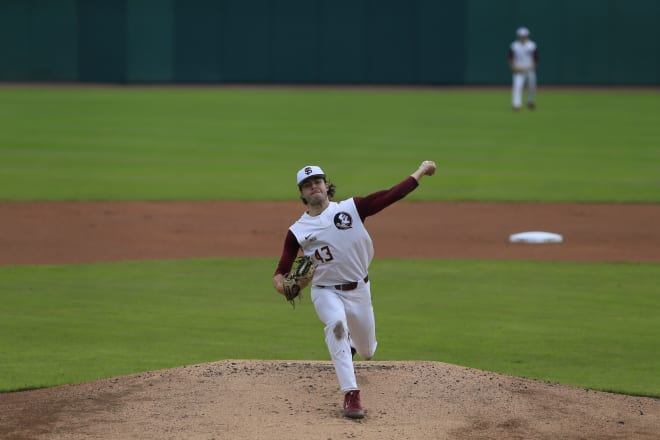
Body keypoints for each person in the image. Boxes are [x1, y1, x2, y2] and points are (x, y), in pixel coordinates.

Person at [272, 160, 437, 419]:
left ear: (326, 186)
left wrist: (421, 171)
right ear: (302, 193)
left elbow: (391, 195)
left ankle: (349, 349)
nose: (313, 186)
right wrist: (283, 286)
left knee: (368, 351)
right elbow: (280, 271)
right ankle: (351, 395)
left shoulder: (352, 208)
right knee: (336, 326)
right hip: (326, 291)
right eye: (307, 185)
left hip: (360, 291)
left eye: (317, 181)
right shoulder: (297, 231)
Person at [508, 26, 538, 111]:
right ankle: (516, 105)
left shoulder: (532, 45)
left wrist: (532, 66)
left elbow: (536, 58)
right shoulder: (514, 45)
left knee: (532, 86)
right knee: (517, 87)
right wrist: (513, 67)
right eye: (521, 36)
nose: (522, 37)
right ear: (518, 36)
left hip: (529, 69)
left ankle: (530, 101)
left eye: (524, 36)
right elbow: (510, 58)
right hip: (519, 70)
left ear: (527, 36)